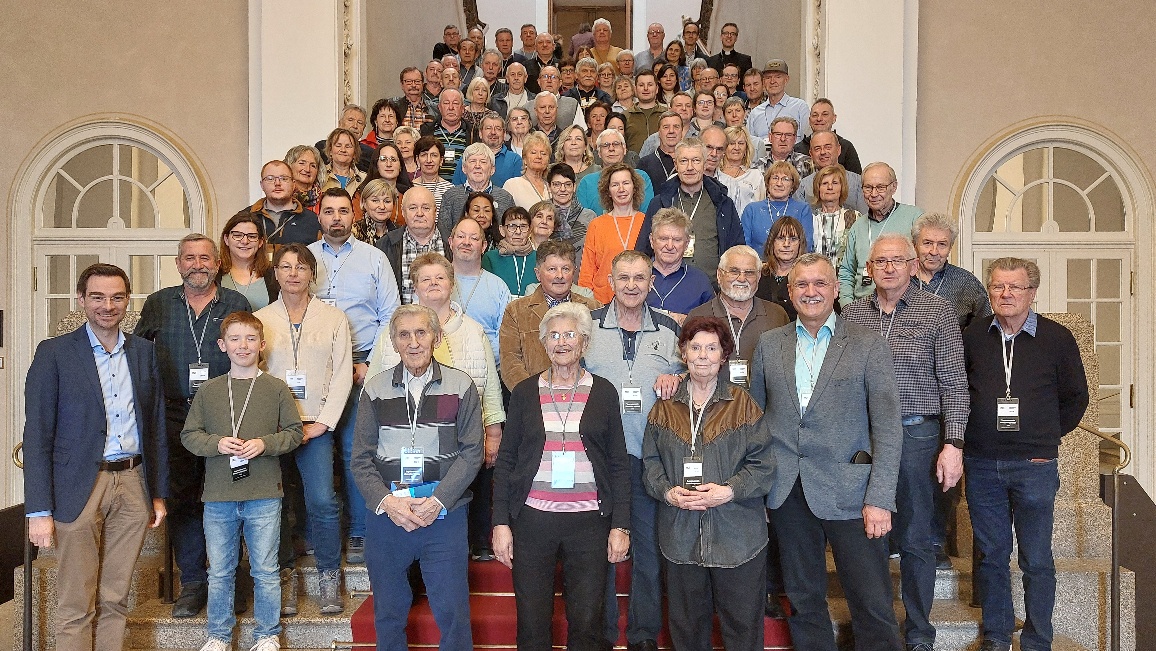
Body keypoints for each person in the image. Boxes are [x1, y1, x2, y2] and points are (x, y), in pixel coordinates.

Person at [749, 252, 904, 650]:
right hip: (788, 491)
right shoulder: (770, 344)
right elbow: (756, 421)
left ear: (836, 290)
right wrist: (761, 487)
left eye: (820, 283)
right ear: (790, 291)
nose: (811, 291)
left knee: (872, 602)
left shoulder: (868, 345)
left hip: (853, 493)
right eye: (802, 284)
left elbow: (887, 428)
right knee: (803, 600)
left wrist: (880, 498)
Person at [24, 263, 169, 651]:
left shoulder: (143, 352)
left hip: (133, 483)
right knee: (75, 603)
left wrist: (157, 494)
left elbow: (155, 426)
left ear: (127, 301)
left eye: (117, 297)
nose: (108, 305)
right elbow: (37, 434)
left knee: (115, 598)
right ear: (81, 300)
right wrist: (38, 510)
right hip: (78, 487)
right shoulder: (54, 353)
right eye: (98, 297)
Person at [841, 233, 969, 651]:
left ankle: (919, 634)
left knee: (915, 539)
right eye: (881, 261)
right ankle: (876, 631)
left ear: (913, 266)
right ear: (869, 269)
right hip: (865, 440)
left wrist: (953, 444)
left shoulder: (938, 311)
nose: (889, 267)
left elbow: (954, 383)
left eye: (898, 260)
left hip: (917, 435)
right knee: (868, 538)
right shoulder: (852, 314)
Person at [964, 257, 1090, 651]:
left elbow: (1076, 397)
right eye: (997, 286)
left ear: (1032, 292)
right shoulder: (973, 336)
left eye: (1015, 287)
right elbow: (957, 391)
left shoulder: (1057, 338)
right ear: (989, 291)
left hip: (1034, 464)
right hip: (982, 462)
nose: (1006, 294)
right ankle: (996, 635)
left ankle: (1037, 640)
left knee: (1036, 559)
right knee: (991, 556)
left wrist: (1043, 437)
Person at [491, 302, 632, 651]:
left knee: (587, 622)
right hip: (533, 521)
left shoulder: (604, 392)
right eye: (553, 335)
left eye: (570, 334)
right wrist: (500, 523)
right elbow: (506, 461)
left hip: (589, 523)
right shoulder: (524, 393)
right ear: (544, 343)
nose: (562, 342)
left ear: (584, 342)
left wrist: (621, 525)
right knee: (532, 621)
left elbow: (618, 463)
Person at [351, 304, 485, 651]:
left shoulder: (461, 385)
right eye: (404, 335)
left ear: (436, 338)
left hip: (443, 514)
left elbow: (472, 452)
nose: (413, 342)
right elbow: (360, 459)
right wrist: (387, 503)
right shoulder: (375, 388)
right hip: (389, 515)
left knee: (453, 613)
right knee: (388, 613)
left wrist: (439, 500)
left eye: (421, 333)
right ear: (394, 342)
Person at [136, 234, 252, 618]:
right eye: (189, 258)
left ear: (217, 263)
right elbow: (137, 356)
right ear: (178, 264)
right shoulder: (158, 304)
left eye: (205, 258)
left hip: (225, 415)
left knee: (229, 498)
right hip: (172, 416)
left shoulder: (236, 303)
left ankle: (228, 579)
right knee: (182, 499)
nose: (197, 265)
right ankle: (193, 582)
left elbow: (250, 354)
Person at [643, 315, 771, 651]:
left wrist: (729, 491)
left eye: (711, 348)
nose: (703, 355)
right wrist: (667, 492)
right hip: (681, 536)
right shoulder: (664, 407)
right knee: (686, 630)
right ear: (683, 352)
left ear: (723, 355)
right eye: (695, 347)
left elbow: (764, 466)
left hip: (737, 538)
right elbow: (651, 463)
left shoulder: (744, 405)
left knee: (742, 630)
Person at [368, 253, 506, 562]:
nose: (433, 283)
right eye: (425, 279)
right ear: (414, 286)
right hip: (406, 437)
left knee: (466, 493)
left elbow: (490, 386)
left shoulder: (473, 330)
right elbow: (372, 387)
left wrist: (493, 431)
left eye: (440, 277)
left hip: (465, 433)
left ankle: (468, 548)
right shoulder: (392, 332)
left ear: (451, 284)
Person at [181, 312, 303, 651]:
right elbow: (189, 435)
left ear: (261, 345)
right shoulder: (209, 390)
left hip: (264, 493)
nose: (243, 345)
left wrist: (265, 444)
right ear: (223, 345)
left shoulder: (276, 388)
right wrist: (217, 443)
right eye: (235, 339)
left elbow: (294, 433)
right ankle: (218, 636)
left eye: (250, 339)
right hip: (218, 495)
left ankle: (267, 634)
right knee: (220, 571)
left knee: (265, 569)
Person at [582, 250, 684, 650]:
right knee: (597, 552)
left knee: (648, 552)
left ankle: (643, 635)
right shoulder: (587, 325)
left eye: (639, 278)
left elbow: (691, 375)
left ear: (651, 282)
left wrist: (677, 378)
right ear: (610, 280)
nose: (631, 285)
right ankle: (601, 634)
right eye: (623, 277)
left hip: (648, 458)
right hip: (595, 460)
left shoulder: (668, 330)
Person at [253, 243, 351, 616]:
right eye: (285, 266)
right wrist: (267, 423)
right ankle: (285, 577)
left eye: (301, 267)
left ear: (312, 273)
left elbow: (342, 373)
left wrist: (324, 422)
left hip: (316, 425)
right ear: (275, 273)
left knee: (323, 501)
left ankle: (329, 576)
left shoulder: (333, 318)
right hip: (273, 427)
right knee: (274, 503)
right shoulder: (260, 318)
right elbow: (252, 371)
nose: (293, 273)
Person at [308, 187, 401, 565]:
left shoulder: (374, 258)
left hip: (362, 365)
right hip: (315, 367)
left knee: (355, 451)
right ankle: (319, 532)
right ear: (319, 216)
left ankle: (360, 530)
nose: (336, 218)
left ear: (354, 214)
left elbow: (389, 315)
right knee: (314, 450)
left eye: (343, 211)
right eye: (329, 211)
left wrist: (370, 364)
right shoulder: (305, 259)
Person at [498, 239, 601, 390]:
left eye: (565, 269)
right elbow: (510, 363)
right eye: (552, 269)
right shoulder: (516, 311)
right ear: (538, 274)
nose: (559, 275)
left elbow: (603, 359)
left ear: (574, 272)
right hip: (534, 397)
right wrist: (534, 395)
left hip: (586, 395)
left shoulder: (594, 308)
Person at [636, 139, 744, 283]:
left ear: (705, 164)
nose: (690, 167)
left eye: (696, 161)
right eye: (684, 161)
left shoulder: (723, 203)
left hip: (712, 288)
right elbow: (643, 250)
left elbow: (736, 249)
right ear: (676, 165)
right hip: (667, 286)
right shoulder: (660, 203)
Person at [688, 244, 790, 382]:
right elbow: (685, 369)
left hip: (762, 397)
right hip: (714, 396)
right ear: (719, 275)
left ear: (759, 276)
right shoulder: (698, 317)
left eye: (749, 272)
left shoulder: (777, 315)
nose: (742, 279)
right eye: (734, 271)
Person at [838, 162, 925, 306]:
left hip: (902, 306)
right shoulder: (858, 226)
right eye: (868, 187)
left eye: (880, 187)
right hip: (862, 307)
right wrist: (847, 307)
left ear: (894, 187)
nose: (873, 194)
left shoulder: (915, 218)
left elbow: (925, 266)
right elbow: (847, 272)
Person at [912, 212, 991, 331]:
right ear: (915, 245)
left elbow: (983, 330)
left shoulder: (967, 283)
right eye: (927, 243)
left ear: (950, 248)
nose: (934, 252)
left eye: (942, 244)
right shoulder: (899, 280)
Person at [579, 163, 646, 304]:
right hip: (602, 301)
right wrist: (585, 303)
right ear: (608, 191)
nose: (621, 189)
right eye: (615, 185)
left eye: (626, 183)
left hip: (639, 300)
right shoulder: (596, 225)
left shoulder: (646, 222)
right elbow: (587, 271)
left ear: (634, 188)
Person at [446, 217, 511, 358]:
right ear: (451, 242)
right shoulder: (435, 281)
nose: (466, 242)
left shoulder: (498, 287)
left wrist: (481, 359)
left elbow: (505, 338)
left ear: (483, 246)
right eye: (461, 236)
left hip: (489, 365)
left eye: (474, 238)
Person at [378, 185, 447, 305]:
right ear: (403, 212)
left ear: (435, 211)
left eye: (426, 208)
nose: (419, 213)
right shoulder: (385, 246)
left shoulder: (453, 242)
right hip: (400, 316)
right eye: (413, 208)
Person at [233, 159, 322, 248]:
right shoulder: (244, 217)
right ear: (262, 185)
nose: (277, 183)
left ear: (293, 184)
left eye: (284, 178)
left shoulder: (312, 220)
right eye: (270, 179)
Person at [646, 208, 714, 321]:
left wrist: (688, 321)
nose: (669, 246)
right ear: (652, 240)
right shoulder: (636, 276)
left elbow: (713, 325)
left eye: (677, 240)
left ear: (686, 244)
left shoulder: (700, 281)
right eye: (663, 239)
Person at [442, 141, 518, 240]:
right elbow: (444, 234)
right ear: (464, 168)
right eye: (472, 161)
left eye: (483, 162)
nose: (477, 166)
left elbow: (512, 231)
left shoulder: (505, 198)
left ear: (492, 169)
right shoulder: (450, 196)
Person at [741, 161, 813, 252]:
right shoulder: (752, 209)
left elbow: (806, 245)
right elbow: (744, 246)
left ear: (792, 186)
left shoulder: (803, 209)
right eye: (775, 178)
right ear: (768, 183)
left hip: (794, 261)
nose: (779, 183)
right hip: (758, 261)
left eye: (785, 179)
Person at [216, 214, 279, 310]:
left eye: (252, 236)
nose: (245, 241)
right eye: (237, 235)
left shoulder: (274, 276)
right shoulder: (214, 274)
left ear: (260, 242)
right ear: (226, 239)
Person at [794, 131, 867, 214]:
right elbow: (797, 218)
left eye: (828, 147)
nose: (823, 152)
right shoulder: (803, 186)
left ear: (838, 150)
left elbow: (865, 217)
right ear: (811, 154)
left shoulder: (858, 183)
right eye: (817, 149)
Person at [805, 164, 861, 269]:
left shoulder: (854, 217)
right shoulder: (809, 218)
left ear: (842, 188)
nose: (830, 187)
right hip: (815, 274)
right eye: (825, 183)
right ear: (818, 188)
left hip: (846, 275)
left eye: (835, 183)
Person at [452, 112, 523, 188]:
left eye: (498, 129)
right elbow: (456, 189)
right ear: (480, 133)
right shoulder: (467, 157)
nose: (493, 132)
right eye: (488, 128)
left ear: (504, 134)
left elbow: (518, 190)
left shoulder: (515, 160)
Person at [793, 98, 863, 174]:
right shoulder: (798, 149)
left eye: (825, 114)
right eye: (815, 115)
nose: (819, 119)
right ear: (809, 120)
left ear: (834, 118)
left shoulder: (846, 147)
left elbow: (856, 178)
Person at [755, 216, 806, 320]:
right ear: (772, 242)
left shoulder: (806, 277)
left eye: (793, 239)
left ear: (800, 243)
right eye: (781, 238)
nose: (786, 244)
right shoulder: (758, 274)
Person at [745, 59, 809, 141]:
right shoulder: (755, 113)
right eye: (768, 77)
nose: (772, 81)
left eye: (778, 77)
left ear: (786, 80)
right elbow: (749, 144)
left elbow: (808, 140)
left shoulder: (800, 107)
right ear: (764, 82)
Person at [483, 206, 537, 296]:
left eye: (523, 226)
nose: (518, 232)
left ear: (530, 230)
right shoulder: (490, 258)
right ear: (502, 230)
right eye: (512, 226)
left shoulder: (539, 257)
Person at [421, 89, 472, 180]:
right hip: (432, 185)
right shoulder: (427, 131)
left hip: (463, 186)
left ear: (462, 108)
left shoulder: (472, 132)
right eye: (446, 103)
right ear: (439, 107)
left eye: (455, 103)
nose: (451, 107)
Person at [717, 125, 765, 217]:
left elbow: (761, 209)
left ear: (746, 147)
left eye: (741, 143)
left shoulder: (755, 176)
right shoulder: (715, 174)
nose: (736, 147)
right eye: (732, 143)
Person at [314, 104, 374, 170]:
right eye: (350, 120)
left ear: (364, 128)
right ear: (340, 123)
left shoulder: (370, 153)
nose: (355, 126)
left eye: (360, 122)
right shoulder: (322, 147)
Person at [504, 131, 553, 208]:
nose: (539, 156)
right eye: (533, 152)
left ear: (548, 160)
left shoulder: (552, 186)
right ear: (524, 159)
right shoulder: (512, 185)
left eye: (543, 153)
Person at [637, 111, 684, 189]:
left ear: (682, 131)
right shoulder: (644, 163)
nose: (671, 131)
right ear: (659, 132)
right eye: (666, 127)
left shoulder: (690, 161)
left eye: (676, 127)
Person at [354, 179, 402, 246]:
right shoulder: (353, 232)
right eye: (375, 201)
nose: (382, 207)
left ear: (393, 204)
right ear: (364, 203)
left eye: (387, 201)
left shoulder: (400, 233)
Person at [412, 136, 455, 212]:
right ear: (417, 160)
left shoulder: (450, 189)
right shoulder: (410, 187)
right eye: (424, 155)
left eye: (434, 155)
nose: (429, 160)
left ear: (441, 160)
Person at [320, 128, 366, 195]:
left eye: (348, 146)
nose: (343, 150)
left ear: (355, 152)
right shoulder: (320, 175)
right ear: (330, 151)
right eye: (338, 145)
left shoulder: (364, 179)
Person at [286, 145, 324, 214]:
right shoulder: (280, 197)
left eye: (313, 166)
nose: (307, 169)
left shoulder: (326, 200)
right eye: (302, 163)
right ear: (289, 166)